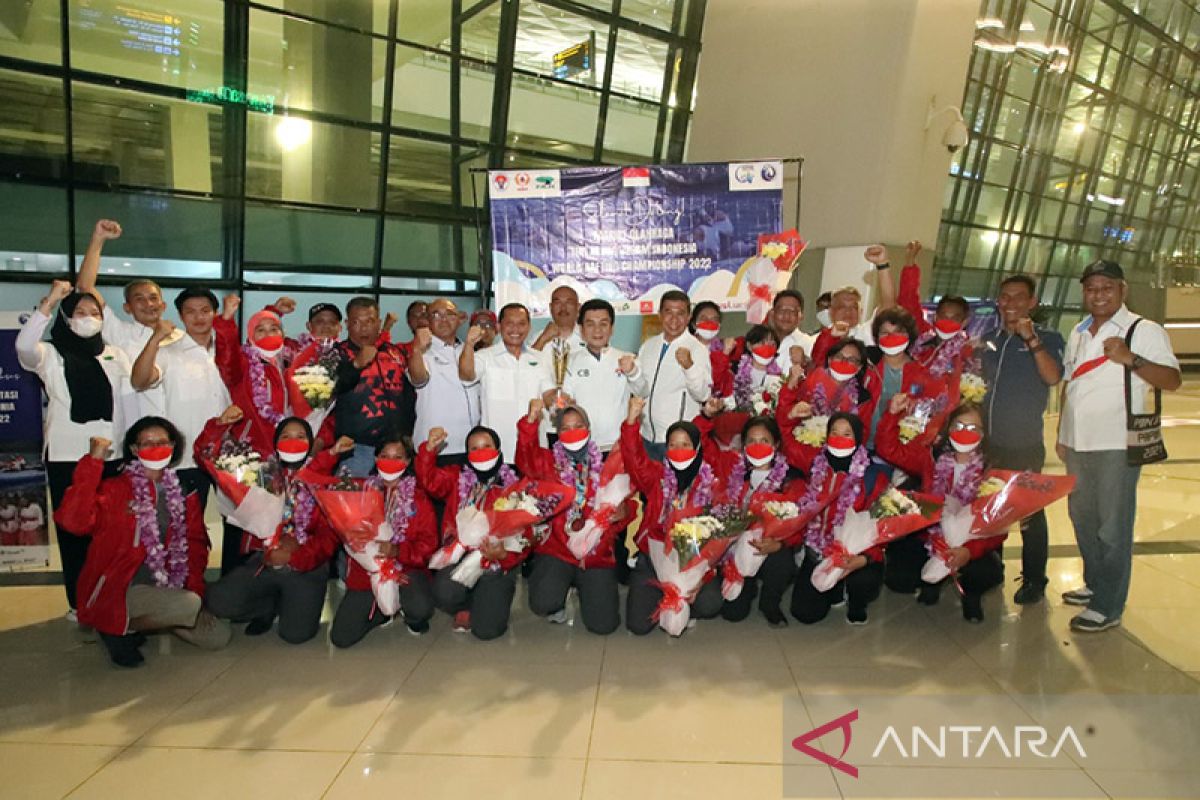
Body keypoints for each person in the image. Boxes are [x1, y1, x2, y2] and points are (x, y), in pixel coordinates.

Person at [1057, 260, 1180, 633]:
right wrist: (1064, 433)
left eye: (1106, 287)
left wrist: (1131, 359)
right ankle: (1095, 583)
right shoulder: (1079, 331)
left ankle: (1108, 605)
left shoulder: (1143, 329)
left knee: (1113, 527)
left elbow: (1172, 379)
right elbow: (1070, 384)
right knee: (1083, 519)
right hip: (1079, 442)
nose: (1098, 295)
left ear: (1122, 290)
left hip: (1117, 443)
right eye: (1092, 288)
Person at [54, 418, 231, 667]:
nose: (156, 446)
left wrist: (194, 591)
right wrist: (93, 462)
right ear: (135, 449)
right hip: (121, 587)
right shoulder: (115, 487)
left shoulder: (184, 492)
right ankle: (114, 627)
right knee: (187, 606)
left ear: (173, 446)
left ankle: (152, 620)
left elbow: (195, 547)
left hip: (165, 586)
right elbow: (73, 521)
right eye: (147, 442)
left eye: (162, 442)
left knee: (217, 637)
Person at [17, 279, 138, 615]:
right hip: (68, 456)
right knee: (74, 535)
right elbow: (25, 348)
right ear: (67, 318)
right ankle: (78, 603)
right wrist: (50, 302)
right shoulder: (52, 353)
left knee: (111, 533)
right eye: (80, 312)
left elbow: (135, 393)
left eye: (94, 312)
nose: (88, 317)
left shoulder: (115, 353)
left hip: (112, 456)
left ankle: (108, 596)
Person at [200, 409, 339, 643]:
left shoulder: (324, 480)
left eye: (300, 436)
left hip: (306, 563)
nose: (293, 441)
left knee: (295, 635)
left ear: (311, 443)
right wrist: (218, 426)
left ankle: (296, 599)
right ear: (275, 444)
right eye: (286, 436)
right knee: (218, 601)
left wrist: (294, 556)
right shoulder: (260, 474)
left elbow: (329, 538)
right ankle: (268, 604)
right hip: (263, 559)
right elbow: (205, 454)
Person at [877, 398, 1004, 622]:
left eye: (974, 428)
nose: (965, 432)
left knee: (987, 572)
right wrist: (892, 414)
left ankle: (971, 596)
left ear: (984, 434)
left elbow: (999, 527)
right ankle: (931, 581)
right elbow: (889, 449)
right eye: (959, 426)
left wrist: (969, 551)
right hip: (930, 539)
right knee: (898, 577)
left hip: (969, 546)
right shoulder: (932, 459)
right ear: (949, 428)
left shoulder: (992, 472)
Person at [981, 274, 1064, 604]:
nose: (1010, 303)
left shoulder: (1049, 338)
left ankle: (1034, 579)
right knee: (992, 506)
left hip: (1023, 443)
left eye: (1019, 297)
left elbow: (1052, 376)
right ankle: (992, 566)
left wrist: (1031, 340)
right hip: (987, 443)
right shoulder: (988, 339)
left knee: (1029, 513)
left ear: (1032, 302)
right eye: (1005, 296)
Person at [517, 399, 626, 634]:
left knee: (603, 626)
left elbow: (621, 507)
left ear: (588, 428)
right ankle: (560, 593)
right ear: (557, 433)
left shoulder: (606, 464)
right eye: (565, 428)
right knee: (543, 602)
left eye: (578, 425)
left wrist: (623, 514)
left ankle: (589, 589)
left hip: (594, 553)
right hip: (558, 549)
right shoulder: (547, 463)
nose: (572, 432)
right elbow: (525, 457)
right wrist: (531, 421)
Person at [620, 396, 723, 634]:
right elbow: (634, 459)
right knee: (638, 625)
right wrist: (632, 421)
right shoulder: (656, 475)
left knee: (710, 603)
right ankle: (663, 593)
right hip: (654, 557)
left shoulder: (710, 481)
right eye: (673, 445)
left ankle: (687, 602)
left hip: (695, 561)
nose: (678, 450)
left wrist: (701, 575)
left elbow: (720, 531)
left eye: (685, 444)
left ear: (697, 448)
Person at [695, 401, 804, 626]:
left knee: (783, 563)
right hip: (734, 550)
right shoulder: (732, 466)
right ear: (743, 445)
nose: (758, 446)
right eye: (751, 441)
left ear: (776, 444)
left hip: (770, 547)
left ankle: (770, 602)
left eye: (764, 441)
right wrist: (706, 417)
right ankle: (748, 585)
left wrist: (780, 544)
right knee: (733, 614)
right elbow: (703, 446)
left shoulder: (789, 478)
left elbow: (800, 523)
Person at [417, 424, 530, 640]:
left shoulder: (514, 484)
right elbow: (429, 480)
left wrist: (505, 556)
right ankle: (467, 605)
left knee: (487, 631)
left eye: (486, 446)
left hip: (496, 562)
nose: (481, 452)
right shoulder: (456, 477)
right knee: (443, 591)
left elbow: (527, 534)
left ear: (498, 450)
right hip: (460, 555)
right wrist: (428, 450)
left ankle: (493, 598)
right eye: (474, 449)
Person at [324, 435, 438, 648]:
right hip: (367, 571)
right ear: (375, 458)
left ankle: (408, 613)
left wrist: (398, 550)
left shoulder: (418, 498)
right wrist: (331, 454)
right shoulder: (359, 491)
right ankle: (381, 612)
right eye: (384, 456)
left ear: (407, 462)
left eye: (398, 457)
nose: (390, 461)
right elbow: (322, 484)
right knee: (341, 637)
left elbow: (428, 546)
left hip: (406, 569)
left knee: (420, 607)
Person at [130, 287, 231, 503]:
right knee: (186, 526)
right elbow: (139, 382)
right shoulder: (168, 352)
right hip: (187, 458)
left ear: (215, 313)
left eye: (205, 310)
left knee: (236, 524)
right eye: (191, 312)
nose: (199, 317)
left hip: (228, 455)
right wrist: (155, 339)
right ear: (180, 316)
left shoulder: (229, 349)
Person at [73, 218, 181, 418]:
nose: (148, 304)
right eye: (139, 299)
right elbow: (86, 287)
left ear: (163, 305)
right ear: (127, 308)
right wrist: (99, 239)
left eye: (153, 298)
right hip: (140, 429)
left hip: (184, 427)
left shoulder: (182, 338)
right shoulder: (121, 333)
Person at [789, 413, 890, 625]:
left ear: (858, 438)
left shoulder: (871, 476)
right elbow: (786, 438)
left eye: (847, 434)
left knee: (865, 578)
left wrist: (863, 559)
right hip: (818, 549)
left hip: (854, 554)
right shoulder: (814, 463)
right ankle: (833, 588)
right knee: (805, 613)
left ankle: (856, 601)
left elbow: (882, 525)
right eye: (834, 433)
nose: (839, 438)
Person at [459, 303, 551, 464]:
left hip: (533, 450)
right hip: (497, 452)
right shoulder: (485, 356)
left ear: (529, 326)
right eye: (510, 323)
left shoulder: (540, 358)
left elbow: (549, 394)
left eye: (521, 323)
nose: (516, 329)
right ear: (499, 326)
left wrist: (561, 400)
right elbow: (466, 376)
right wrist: (469, 344)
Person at [332, 297, 410, 475]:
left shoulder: (394, 353)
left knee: (397, 502)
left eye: (370, 321)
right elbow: (329, 390)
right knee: (353, 502)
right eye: (356, 322)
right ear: (347, 324)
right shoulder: (337, 354)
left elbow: (409, 396)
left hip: (396, 450)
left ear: (379, 323)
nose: (364, 327)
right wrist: (355, 365)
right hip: (356, 449)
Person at [559, 298, 647, 451]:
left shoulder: (627, 358)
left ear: (612, 328)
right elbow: (562, 404)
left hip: (619, 447)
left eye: (603, 324)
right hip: (582, 446)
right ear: (581, 329)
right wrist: (561, 403)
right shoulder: (570, 361)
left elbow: (643, 392)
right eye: (590, 324)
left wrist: (632, 371)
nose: (597, 330)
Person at [633, 290, 712, 460]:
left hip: (677, 441)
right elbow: (641, 390)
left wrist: (689, 366)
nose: (674, 320)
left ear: (689, 316)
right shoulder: (648, 346)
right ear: (660, 314)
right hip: (646, 436)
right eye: (668, 312)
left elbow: (703, 394)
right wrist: (632, 372)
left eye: (680, 313)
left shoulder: (697, 349)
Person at [212, 295, 292, 456]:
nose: (268, 334)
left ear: (282, 334)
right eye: (260, 330)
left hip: (289, 445)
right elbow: (227, 355)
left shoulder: (291, 359)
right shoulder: (243, 363)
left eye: (274, 329)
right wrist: (226, 320)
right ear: (250, 335)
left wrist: (274, 311)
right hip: (251, 449)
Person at [408, 298, 480, 463]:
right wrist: (417, 349)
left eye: (450, 314)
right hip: (435, 447)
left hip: (471, 446)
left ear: (460, 320)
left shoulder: (472, 351)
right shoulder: (422, 353)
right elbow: (418, 378)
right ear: (427, 321)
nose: (444, 320)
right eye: (436, 315)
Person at [810, 244, 898, 366]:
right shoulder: (816, 340)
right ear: (830, 312)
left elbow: (889, 302)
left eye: (854, 307)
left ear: (861, 312)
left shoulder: (868, 332)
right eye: (842, 307)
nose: (849, 312)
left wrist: (882, 264)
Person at [689, 301, 735, 400]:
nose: (709, 323)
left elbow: (722, 385)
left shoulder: (726, 348)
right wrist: (724, 354)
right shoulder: (686, 349)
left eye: (714, 320)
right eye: (704, 318)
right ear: (693, 324)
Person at [768, 290, 815, 371]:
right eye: (782, 310)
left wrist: (805, 362)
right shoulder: (761, 341)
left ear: (801, 316)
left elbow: (819, 374)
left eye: (793, 311)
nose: (786, 316)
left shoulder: (809, 343)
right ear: (772, 314)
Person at [532, 285, 585, 353]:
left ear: (578, 307)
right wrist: (542, 340)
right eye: (557, 303)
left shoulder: (590, 336)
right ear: (551, 307)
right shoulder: (538, 338)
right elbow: (526, 362)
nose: (563, 308)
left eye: (569, 302)